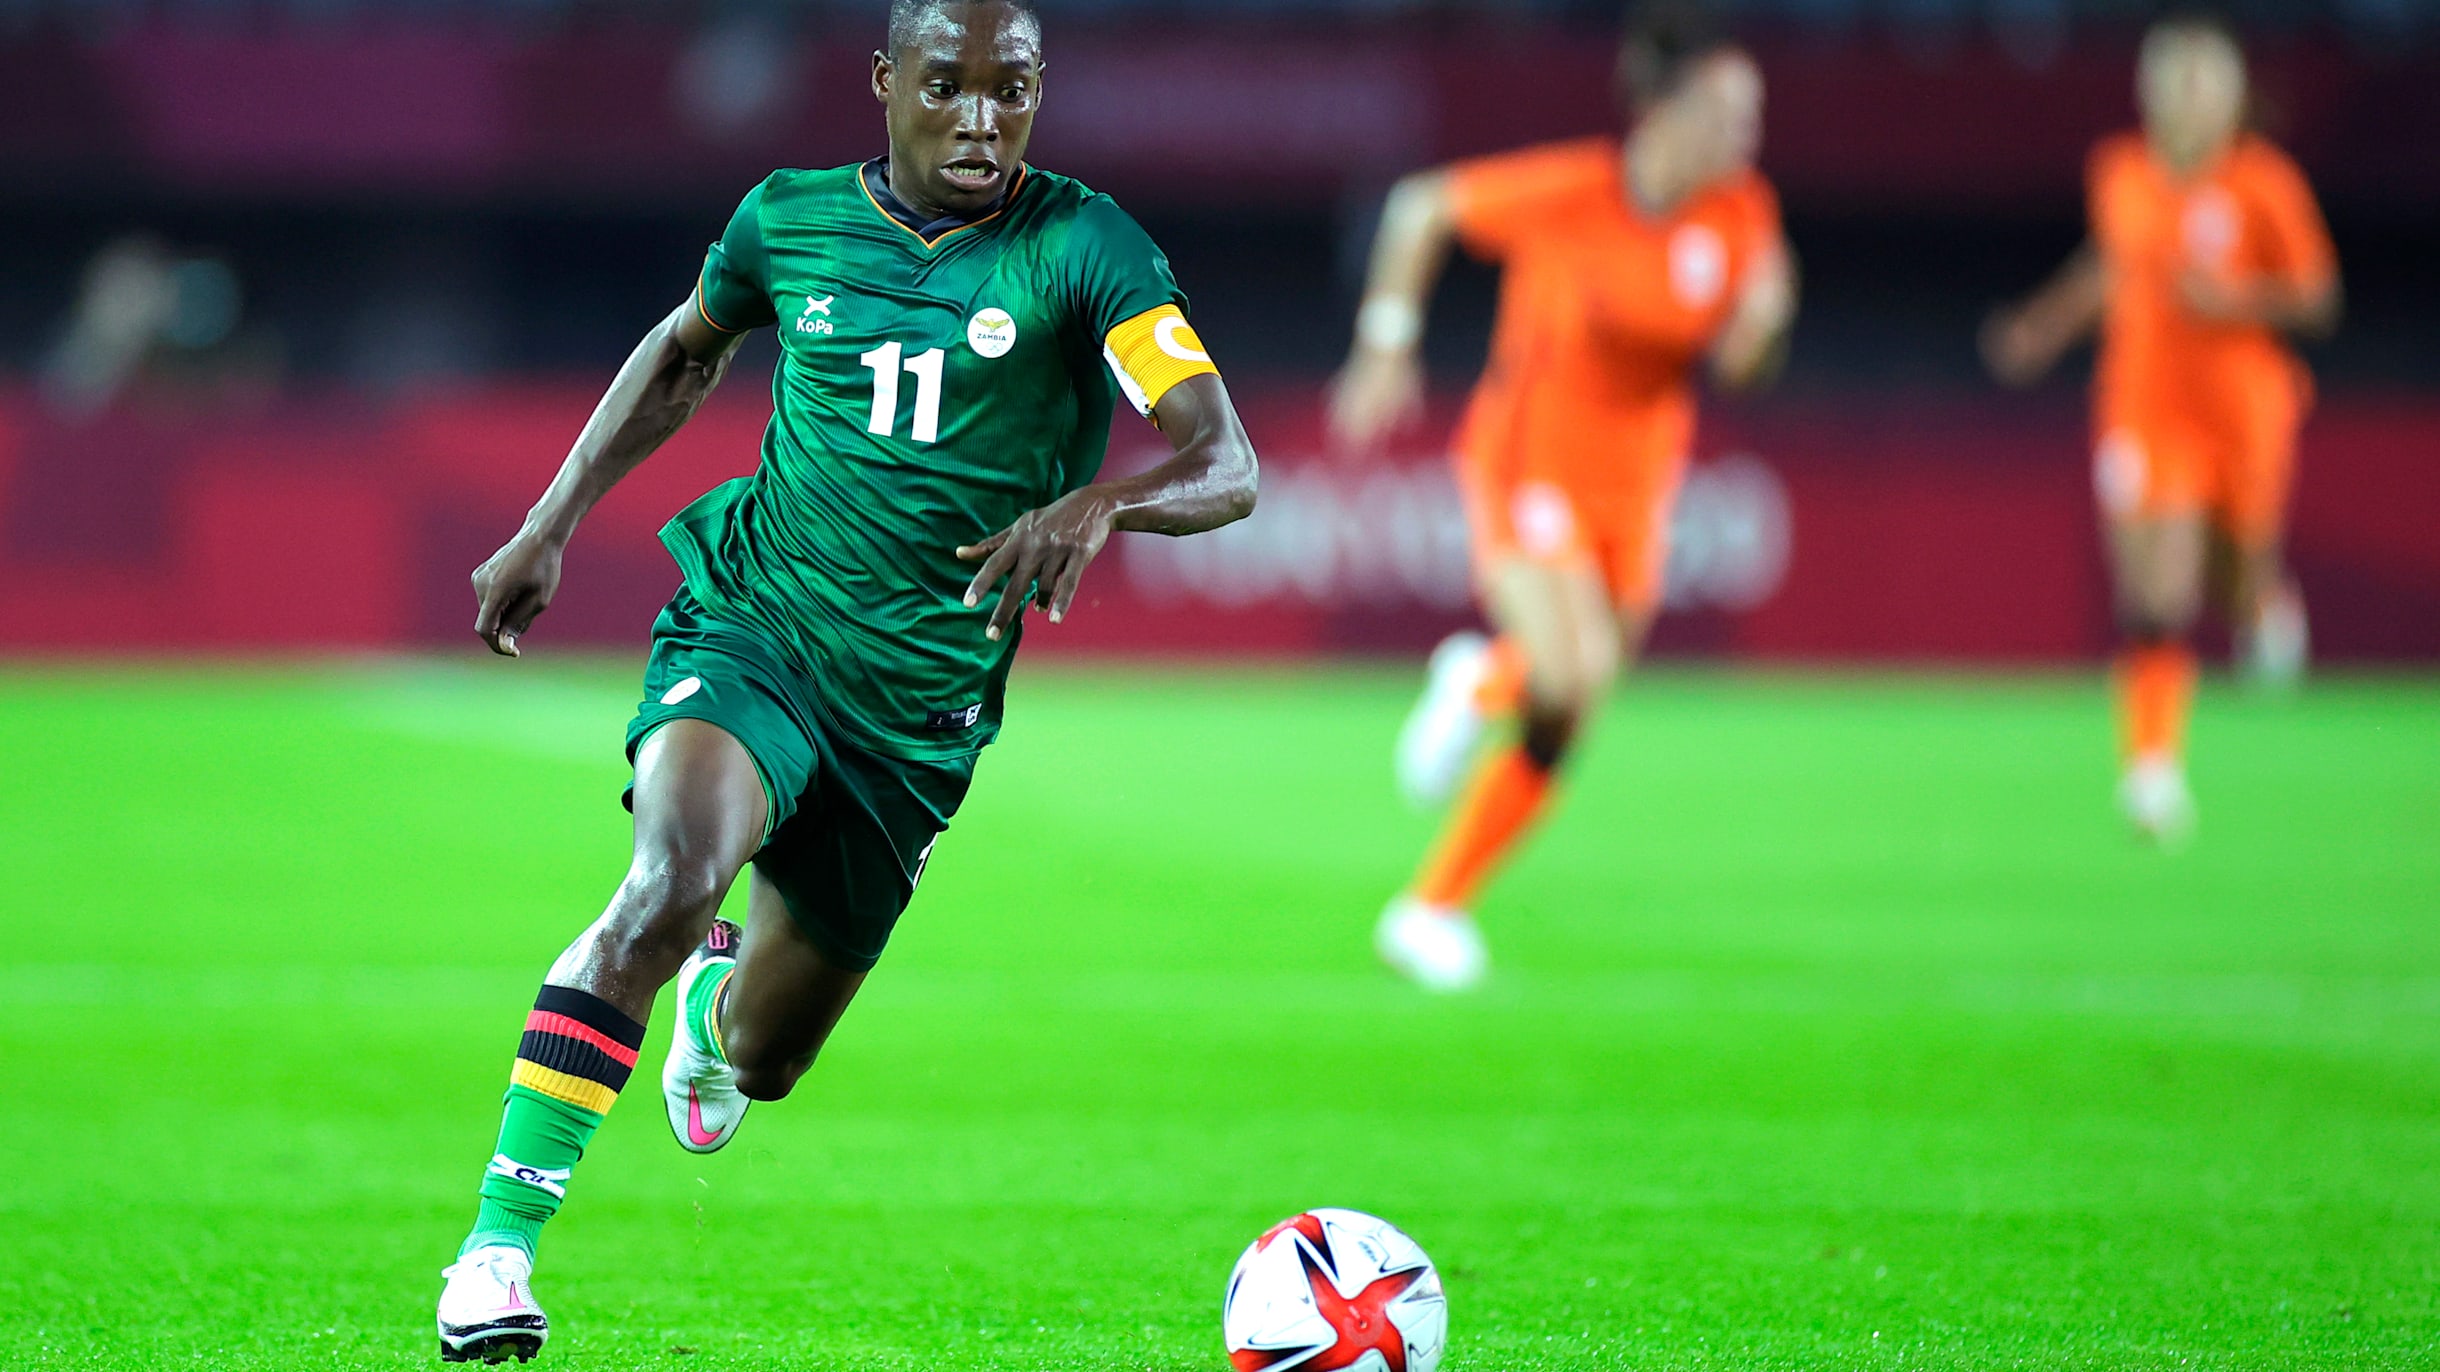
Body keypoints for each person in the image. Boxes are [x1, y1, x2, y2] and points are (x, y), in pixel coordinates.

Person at [432, 0, 1258, 1358]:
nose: (984, 119)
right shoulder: (789, 219)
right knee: (670, 879)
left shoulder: (1085, 247)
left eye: (1015, 90)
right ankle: (495, 1258)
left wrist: (1107, 503)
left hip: (916, 718)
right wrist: (552, 519)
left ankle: (712, 1008)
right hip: (759, 623)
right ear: (887, 84)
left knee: (764, 1061)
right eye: (951, 87)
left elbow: (1225, 459)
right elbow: (685, 351)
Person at [1327, 2, 1794, 991]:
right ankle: (1484, 691)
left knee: (1567, 711)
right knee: (1573, 669)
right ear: (1664, 113)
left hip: (1637, 484)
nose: (1746, 137)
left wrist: (1765, 328)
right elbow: (1419, 209)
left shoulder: (1741, 214)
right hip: (1528, 459)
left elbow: (1749, 355)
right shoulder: (1575, 191)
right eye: (1728, 112)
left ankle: (1429, 900)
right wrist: (1385, 340)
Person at [1983, 11, 2338, 843]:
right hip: (2144, 408)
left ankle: (2263, 602)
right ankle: (2152, 770)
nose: (2184, 95)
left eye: (2201, 78)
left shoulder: (2264, 185)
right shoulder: (2119, 172)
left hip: (2244, 413)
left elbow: (2319, 298)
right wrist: (2040, 327)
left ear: (2233, 93)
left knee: (2235, 574)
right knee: (2156, 592)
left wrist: (2237, 301)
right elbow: (2109, 266)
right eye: (2169, 76)